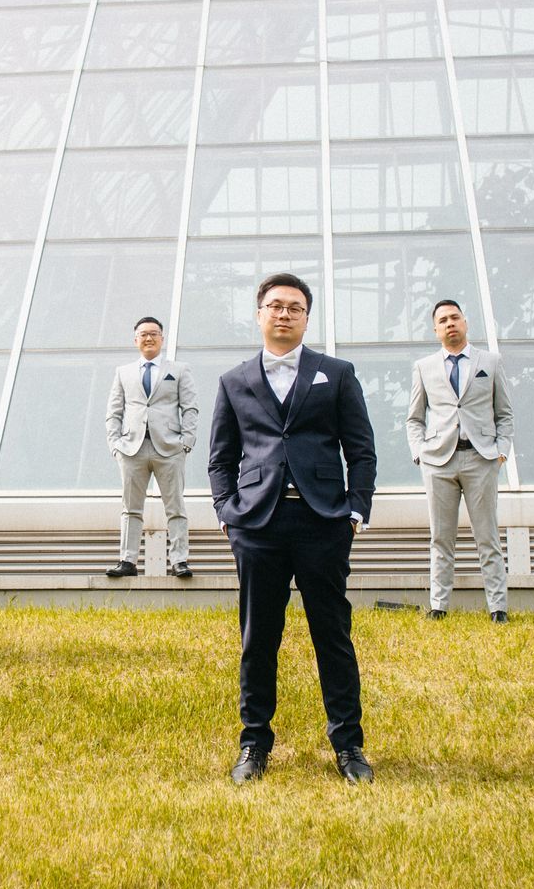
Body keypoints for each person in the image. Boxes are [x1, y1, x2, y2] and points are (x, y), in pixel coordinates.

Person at [209, 272, 378, 784]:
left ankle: (348, 747)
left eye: (295, 308)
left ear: (307, 317)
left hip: (322, 520)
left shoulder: (337, 373)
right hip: (257, 524)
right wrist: (226, 511)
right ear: (259, 314)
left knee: (333, 633)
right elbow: (221, 457)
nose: (285, 314)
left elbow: (362, 449)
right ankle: (254, 744)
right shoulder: (234, 381)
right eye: (276, 306)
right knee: (258, 635)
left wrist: (355, 509)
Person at [406, 298, 514, 621]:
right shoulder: (423, 368)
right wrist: (419, 454)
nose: (450, 323)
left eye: (455, 317)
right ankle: (438, 606)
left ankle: (498, 608)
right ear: (436, 329)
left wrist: (501, 452)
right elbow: (414, 418)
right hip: (438, 461)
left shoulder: (490, 362)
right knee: (441, 537)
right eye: (443, 320)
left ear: (465, 323)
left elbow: (505, 413)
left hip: (481, 459)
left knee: (488, 536)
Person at [104, 315, 198, 579]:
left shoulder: (179, 370)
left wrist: (186, 442)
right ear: (136, 340)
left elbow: (189, 407)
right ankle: (128, 560)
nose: (149, 338)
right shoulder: (123, 372)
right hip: (132, 449)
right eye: (143, 334)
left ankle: (179, 560)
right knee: (130, 507)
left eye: (154, 333)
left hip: (169, 448)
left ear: (162, 338)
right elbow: (114, 411)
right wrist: (115, 444)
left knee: (175, 507)